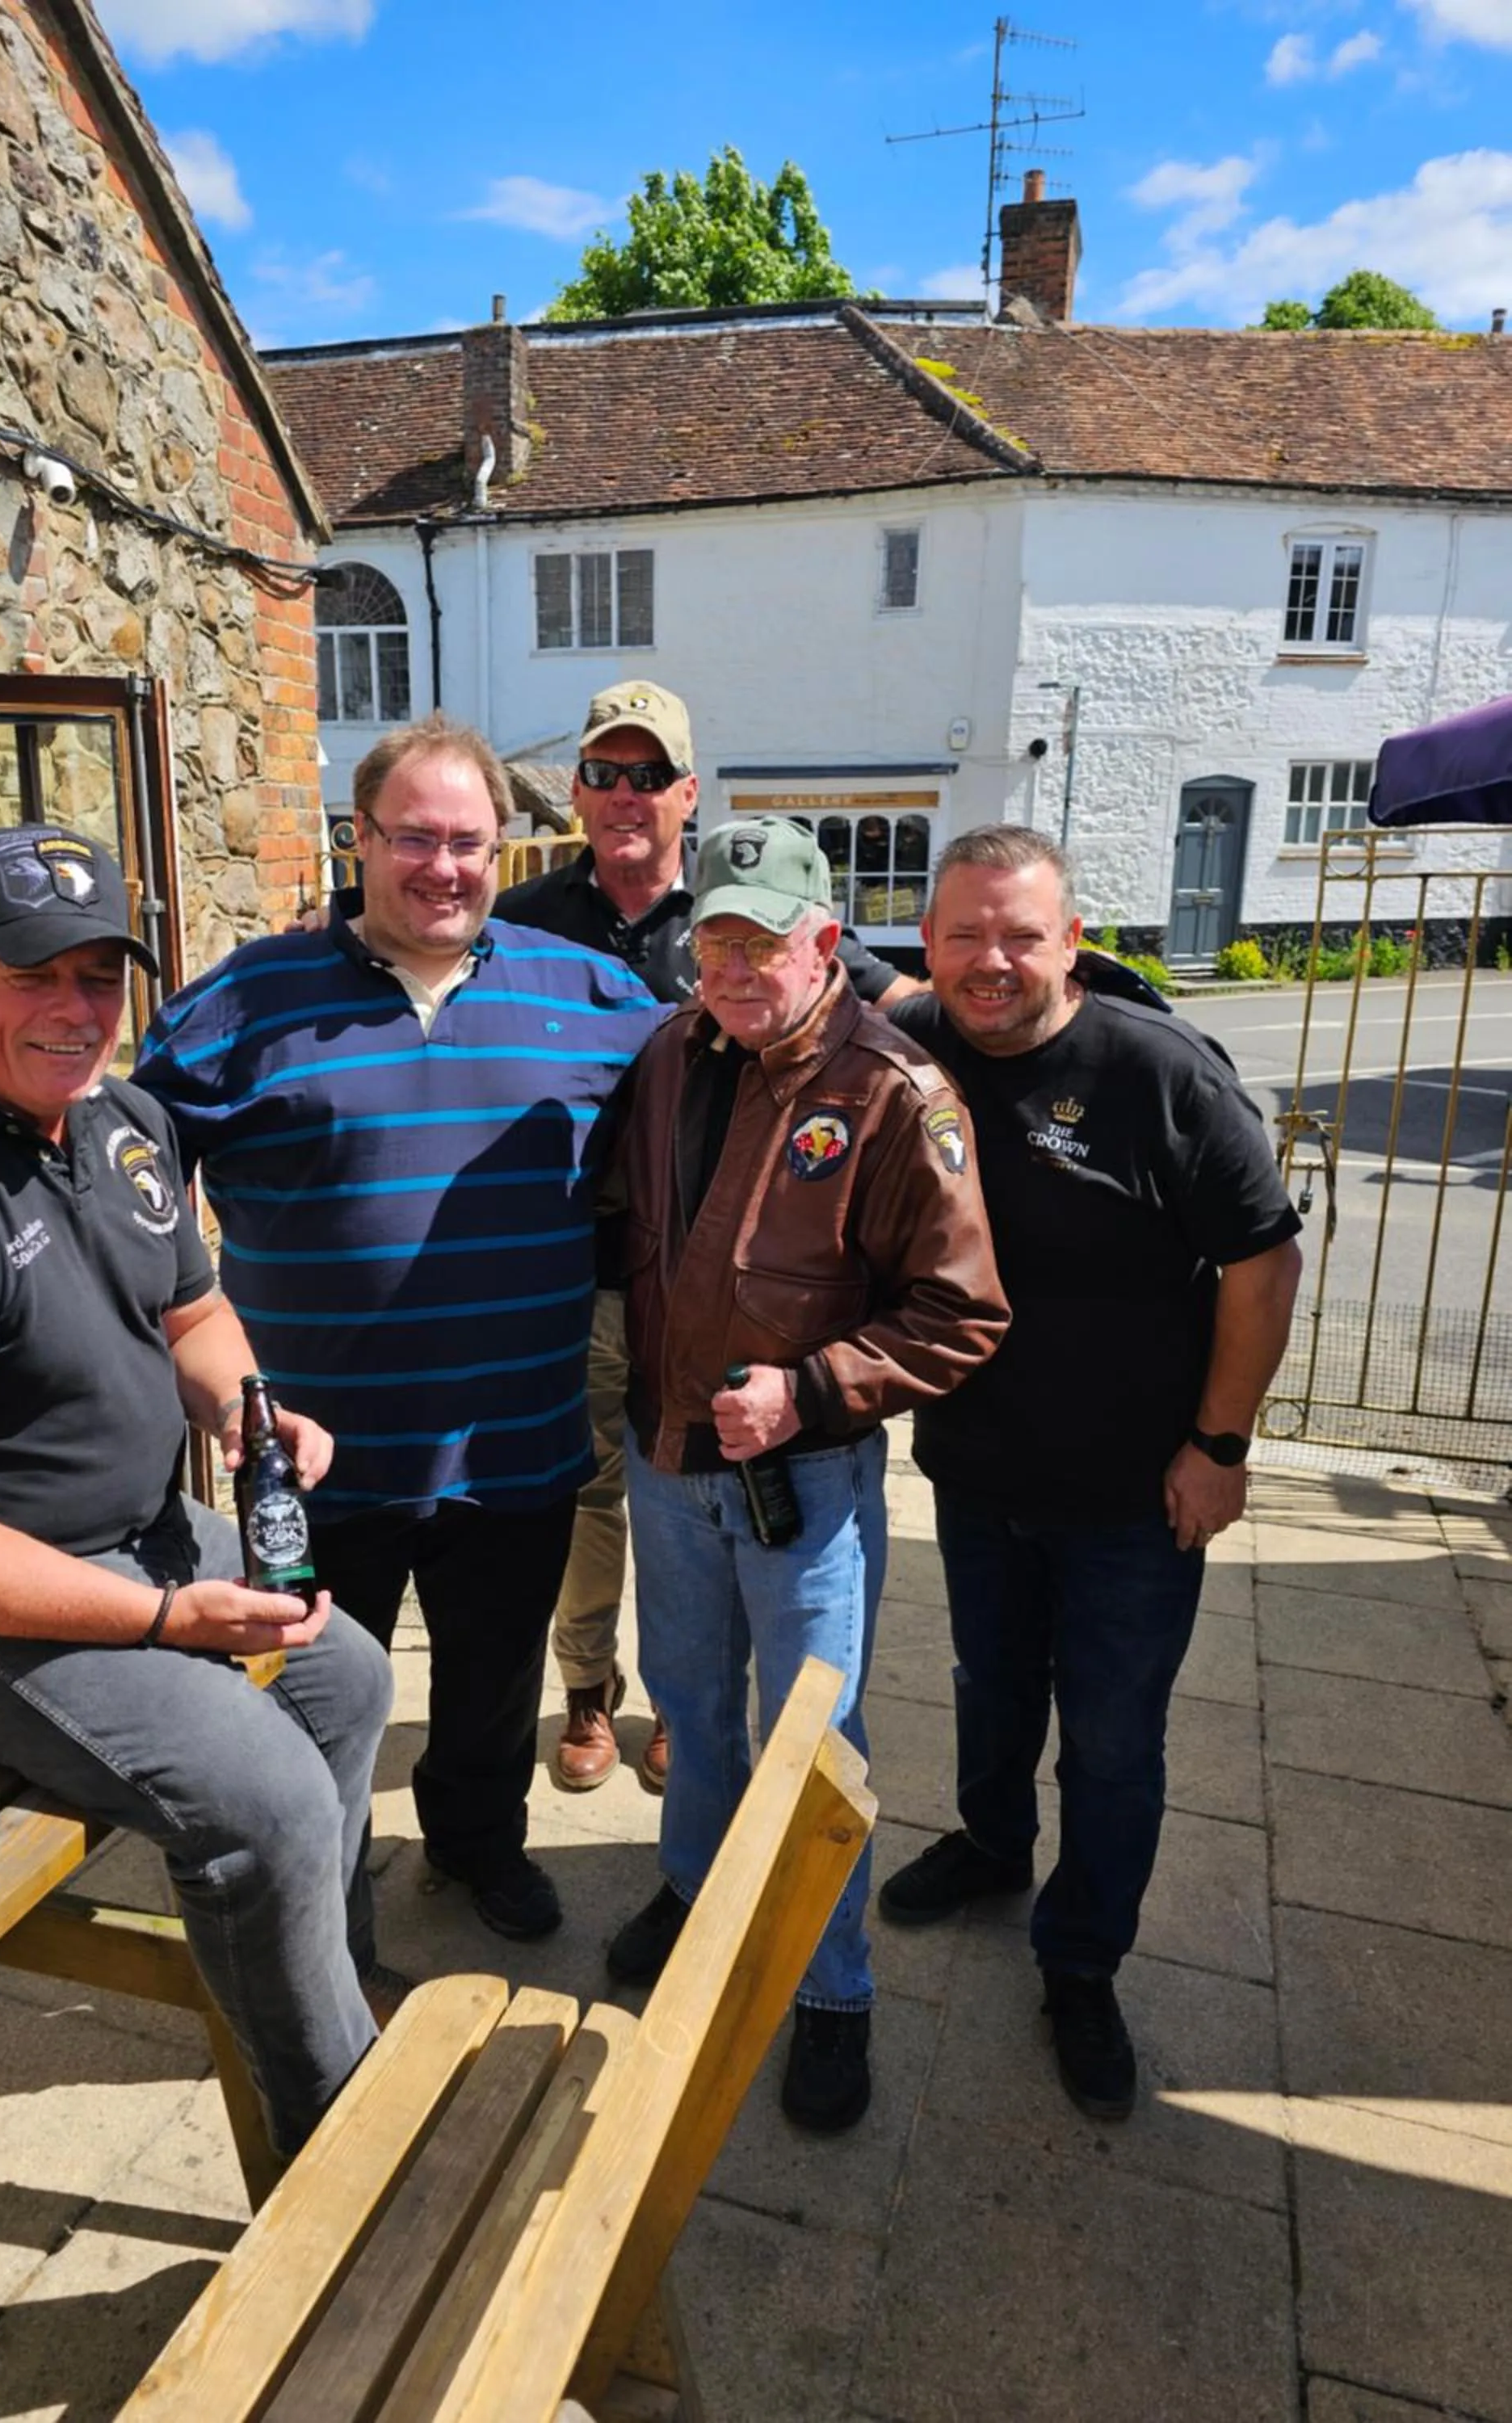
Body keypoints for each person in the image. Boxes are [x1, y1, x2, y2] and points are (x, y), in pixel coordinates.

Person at [0, 825, 394, 2164]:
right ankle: (329, 2139)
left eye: (101, 976)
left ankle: (310, 1981)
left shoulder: (120, 1121)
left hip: (123, 1537)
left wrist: (245, 1409)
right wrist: (163, 1625)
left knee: (343, 1673)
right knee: (265, 1799)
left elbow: (195, 1312)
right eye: (35, 975)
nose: (76, 1012)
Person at [135, 714, 664, 1946]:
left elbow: (724, 1097)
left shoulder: (593, 996)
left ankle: (479, 1847)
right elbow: (125, 1181)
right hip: (318, 1459)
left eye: (469, 841)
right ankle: (320, 1891)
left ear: (506, 849)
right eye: (413, 838)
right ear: (357, 840)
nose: (444, 866)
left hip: (515, 1443)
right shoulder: (247, 1002)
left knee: (491, 1685)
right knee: (312, 1701)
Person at [879, 825, 1303, 2122]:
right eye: (962, 934)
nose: (989, 960)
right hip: (977, 1474)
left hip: (1135, 1494)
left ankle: (1080, 1964)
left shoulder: (1160, 1072)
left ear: (1073, 939)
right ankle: (993, 1848)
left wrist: (1219, 1448)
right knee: (988, 1689)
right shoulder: (915, 1050)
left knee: (1113, 1743)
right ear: (928, 944)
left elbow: (1262, 1262)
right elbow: (802, 973)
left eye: (1019, 932)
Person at [600, 816, 1009, 2131]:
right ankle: (695, 1886)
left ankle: (832, 1992)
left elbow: (961, 1315)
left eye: (758, 943)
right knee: (688, 1709)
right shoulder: (670, 1054)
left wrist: (811, 1388)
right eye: (711, 938)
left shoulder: (898, 1093)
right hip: (667, 1466)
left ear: (824, 940)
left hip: (805, 1493)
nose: (730, 966)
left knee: (813, 1749)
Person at [497, 682, 918, 1792]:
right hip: (590, 1269)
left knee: (713, 1501)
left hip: (728, 1286)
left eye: (648, 775)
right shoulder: (524, 923)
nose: (625, 794)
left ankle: (695, 1708)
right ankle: (588, 1694)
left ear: (689, 791)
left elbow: (891, 1003)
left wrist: (1065, 1011)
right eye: (603, 773)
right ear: (577, 793)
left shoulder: (741, 901)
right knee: (595, 1493)